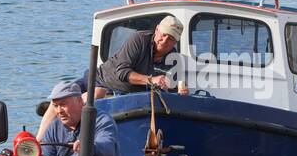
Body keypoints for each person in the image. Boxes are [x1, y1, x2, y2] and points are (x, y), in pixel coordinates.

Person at [38, 15, 186, 136]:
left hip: (123, 95)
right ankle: (40, 141)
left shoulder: (173, 59)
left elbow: (169, 92)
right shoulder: (139, 40)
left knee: (95, 95)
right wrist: (151, 79)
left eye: (171, 38)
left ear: (176, 42)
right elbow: (122, 72)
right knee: (62, 96)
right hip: (99, 78)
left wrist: (181, 94)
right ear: (156, 30)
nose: (165, 40)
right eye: (164, 34)